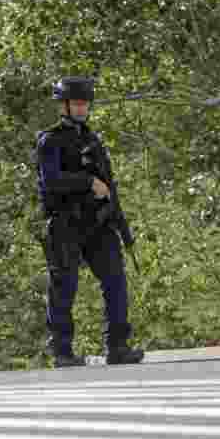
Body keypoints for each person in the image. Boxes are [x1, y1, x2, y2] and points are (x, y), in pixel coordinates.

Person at [35, 77, 145, 367]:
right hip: (65, 224)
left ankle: (118, 346)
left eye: (85, 103)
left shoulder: (92, 140)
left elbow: (109, 185)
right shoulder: (50, 140)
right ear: (65, 105)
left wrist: (122, 226)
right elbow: (51, 181)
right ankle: (62, 352)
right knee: (64, 287)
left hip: (98, 223)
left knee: (115, 281)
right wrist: (86, 182)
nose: (82, 108)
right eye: (77, 103)